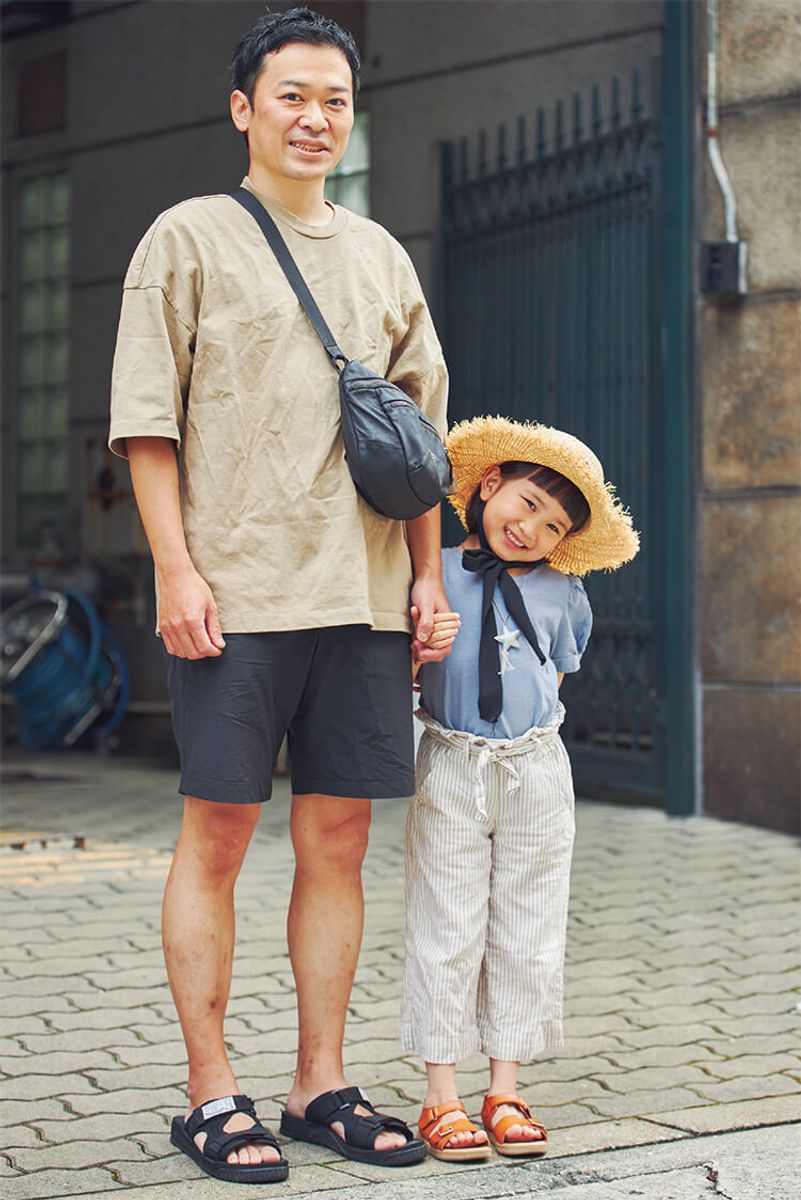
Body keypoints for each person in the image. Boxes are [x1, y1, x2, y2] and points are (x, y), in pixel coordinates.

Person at [108, 7, 450, 1185]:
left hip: (362, 598)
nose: (315, 118)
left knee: (339, 840)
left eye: (334, 100)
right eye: (292, 96)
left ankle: (320, 1083)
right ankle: (211, 1093)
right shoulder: (188, 237)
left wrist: (427, 578)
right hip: (237, 596)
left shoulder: (382, 256)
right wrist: (176, 569)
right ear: (243, 109)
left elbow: (420, 443)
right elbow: (147, 426)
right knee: (218, 834)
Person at [402, 416, 639, 1161]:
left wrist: (524, 743)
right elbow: (403, 674)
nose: (531, 528)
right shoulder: (432, 571)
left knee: (528, 929)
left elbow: (553, 678)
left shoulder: (564, 592)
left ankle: (504, 1089)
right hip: (452, 764)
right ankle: (440, 1096)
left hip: (534, 768)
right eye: (527, 504)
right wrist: (418, 657)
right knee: (446, 926)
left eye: (554, 525)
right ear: (490, 485)